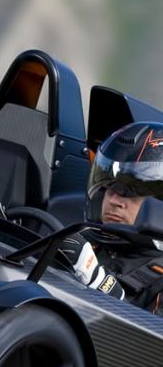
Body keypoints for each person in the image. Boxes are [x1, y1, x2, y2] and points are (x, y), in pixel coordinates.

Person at [58, 121, 163, 314]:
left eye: (131, 192)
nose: (114, 200)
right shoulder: (79, 242)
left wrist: (98, 282)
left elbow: (147, 333)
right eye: (110, 187)